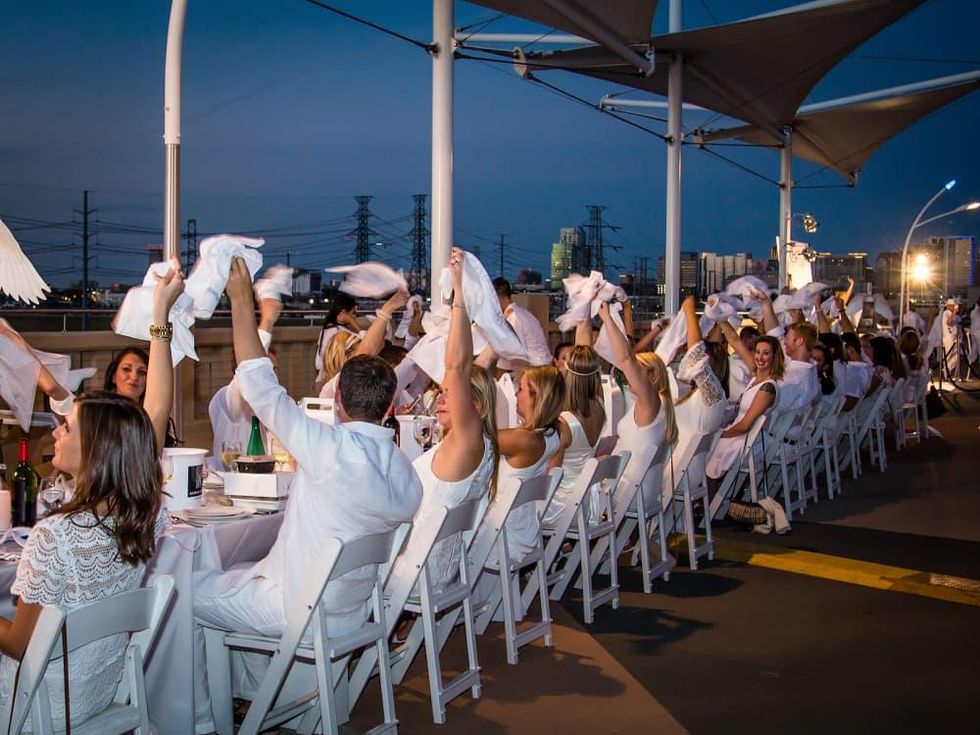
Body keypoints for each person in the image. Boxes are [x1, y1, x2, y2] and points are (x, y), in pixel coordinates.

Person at [192, 258, 422, 733]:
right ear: (389, 407)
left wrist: (240, 301)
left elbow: (259, 385)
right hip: (351, 610)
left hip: (300, 608)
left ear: (337, 402)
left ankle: (196, 718)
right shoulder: (406, 473)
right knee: (236, 574)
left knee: (181, 591)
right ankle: (258, 698)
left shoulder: (330, 449)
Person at [0, 269, 181, 728]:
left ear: (97, 450)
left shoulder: (54, 536)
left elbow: (21, 647)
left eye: (68, 426)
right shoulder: (146, 513)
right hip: (96, 692)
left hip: (37, 702)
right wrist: (159, 317)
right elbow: (154, 411)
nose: (56, 429)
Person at [413, 249, 497, 592]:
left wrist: (460, 293)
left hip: (416, 572)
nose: (441, 398)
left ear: (473, 404)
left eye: (450, 393)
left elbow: (458, 367)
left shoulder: (467, 441)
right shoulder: (483, 444)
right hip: (441, 567)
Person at [599, 301, 677, 515]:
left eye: (638, 371)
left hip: (625, 493)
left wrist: (607, 318)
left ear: (653, 376)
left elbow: (625, 358)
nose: (629, 376)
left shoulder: (651, 402)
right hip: (645, 489)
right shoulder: (664, 403)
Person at [496, 365, 564, 561]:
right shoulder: (553, 434)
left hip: (504, 535)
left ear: (536, 396)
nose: (516, 395)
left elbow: (473, 440)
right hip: (524, 529)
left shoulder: (526, 440)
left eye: (521, 389)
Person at [543, 315, 605, 527]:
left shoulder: (565, 424)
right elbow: (586, 353)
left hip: (564, 506)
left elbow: (551, 476)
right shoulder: (599, 405)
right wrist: (583, 314)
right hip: (586, 500)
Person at [208, 296, 282, 469]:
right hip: (228, 485)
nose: (273, 378)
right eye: (267, 372)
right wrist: (267, 322)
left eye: (274, 370)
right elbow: (249, 368)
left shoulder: (271, 406)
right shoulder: (226, 400)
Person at [704, 336, 782, 495]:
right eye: (757, 352)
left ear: (775, 357)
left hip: (747, 441)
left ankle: (708, 506)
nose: (760, 357)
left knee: (705, 451)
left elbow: (746, 424)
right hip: (740, 436)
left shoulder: (768, 388)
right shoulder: (756, 379)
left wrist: (721, 434)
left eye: (766, 353)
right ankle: (706, 503)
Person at [671, 296, 727, 510]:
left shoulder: (711, 396)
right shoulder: (712, 396)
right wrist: (714, 320)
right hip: (691, 469)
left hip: (680, 471)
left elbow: (696, 357)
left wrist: (689, 311)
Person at [493, 277, 552, 368]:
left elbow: (517, 355)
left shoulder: (514, 318)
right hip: (543, 365)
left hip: (536, 370)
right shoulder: (524, 313)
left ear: (497, 299)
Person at [313, 292, 359, 386]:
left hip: (326, 378)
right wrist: (353, 323)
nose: (355, 317)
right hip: (336, 380)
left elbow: (318, 363)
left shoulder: (327, 329)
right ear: (343, 313)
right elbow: (367, 343)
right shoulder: (340, 333)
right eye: (353, 313)